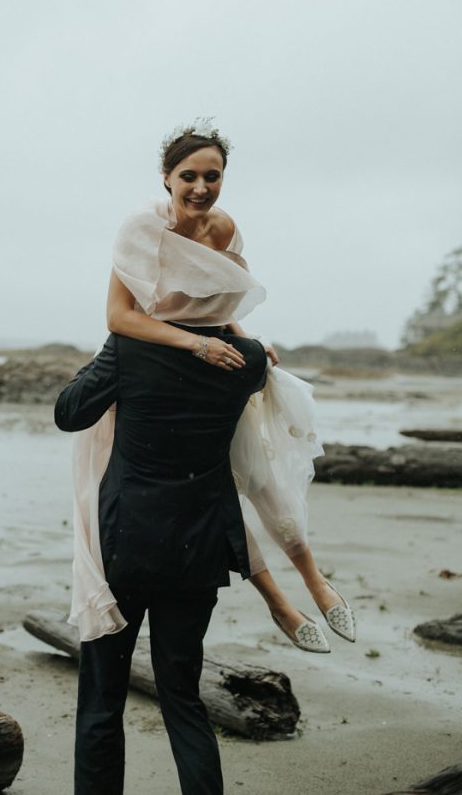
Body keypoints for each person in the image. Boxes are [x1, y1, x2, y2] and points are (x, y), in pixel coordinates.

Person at [100, 117, 356, 652]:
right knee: (215, 496)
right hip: (161, 370)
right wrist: (195, 345)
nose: (201, 187)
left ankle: (315, 580)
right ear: (167, 178)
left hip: (214, 361)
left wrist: (245, 337)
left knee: (261, 476)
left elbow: (213, 305)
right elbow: (120, 318)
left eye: (212, 176)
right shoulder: (141, 231)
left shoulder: (224, 231)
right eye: (188, 175)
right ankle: (277, 603)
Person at [55, 327, 269, 795]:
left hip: (124, 546)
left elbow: (69, 412)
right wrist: (241, 332)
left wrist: (109, 350)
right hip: (199, 548)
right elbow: (259, 369)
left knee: (102, 699)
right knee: (183, 697)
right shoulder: (248, 358)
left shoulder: (130, 347)